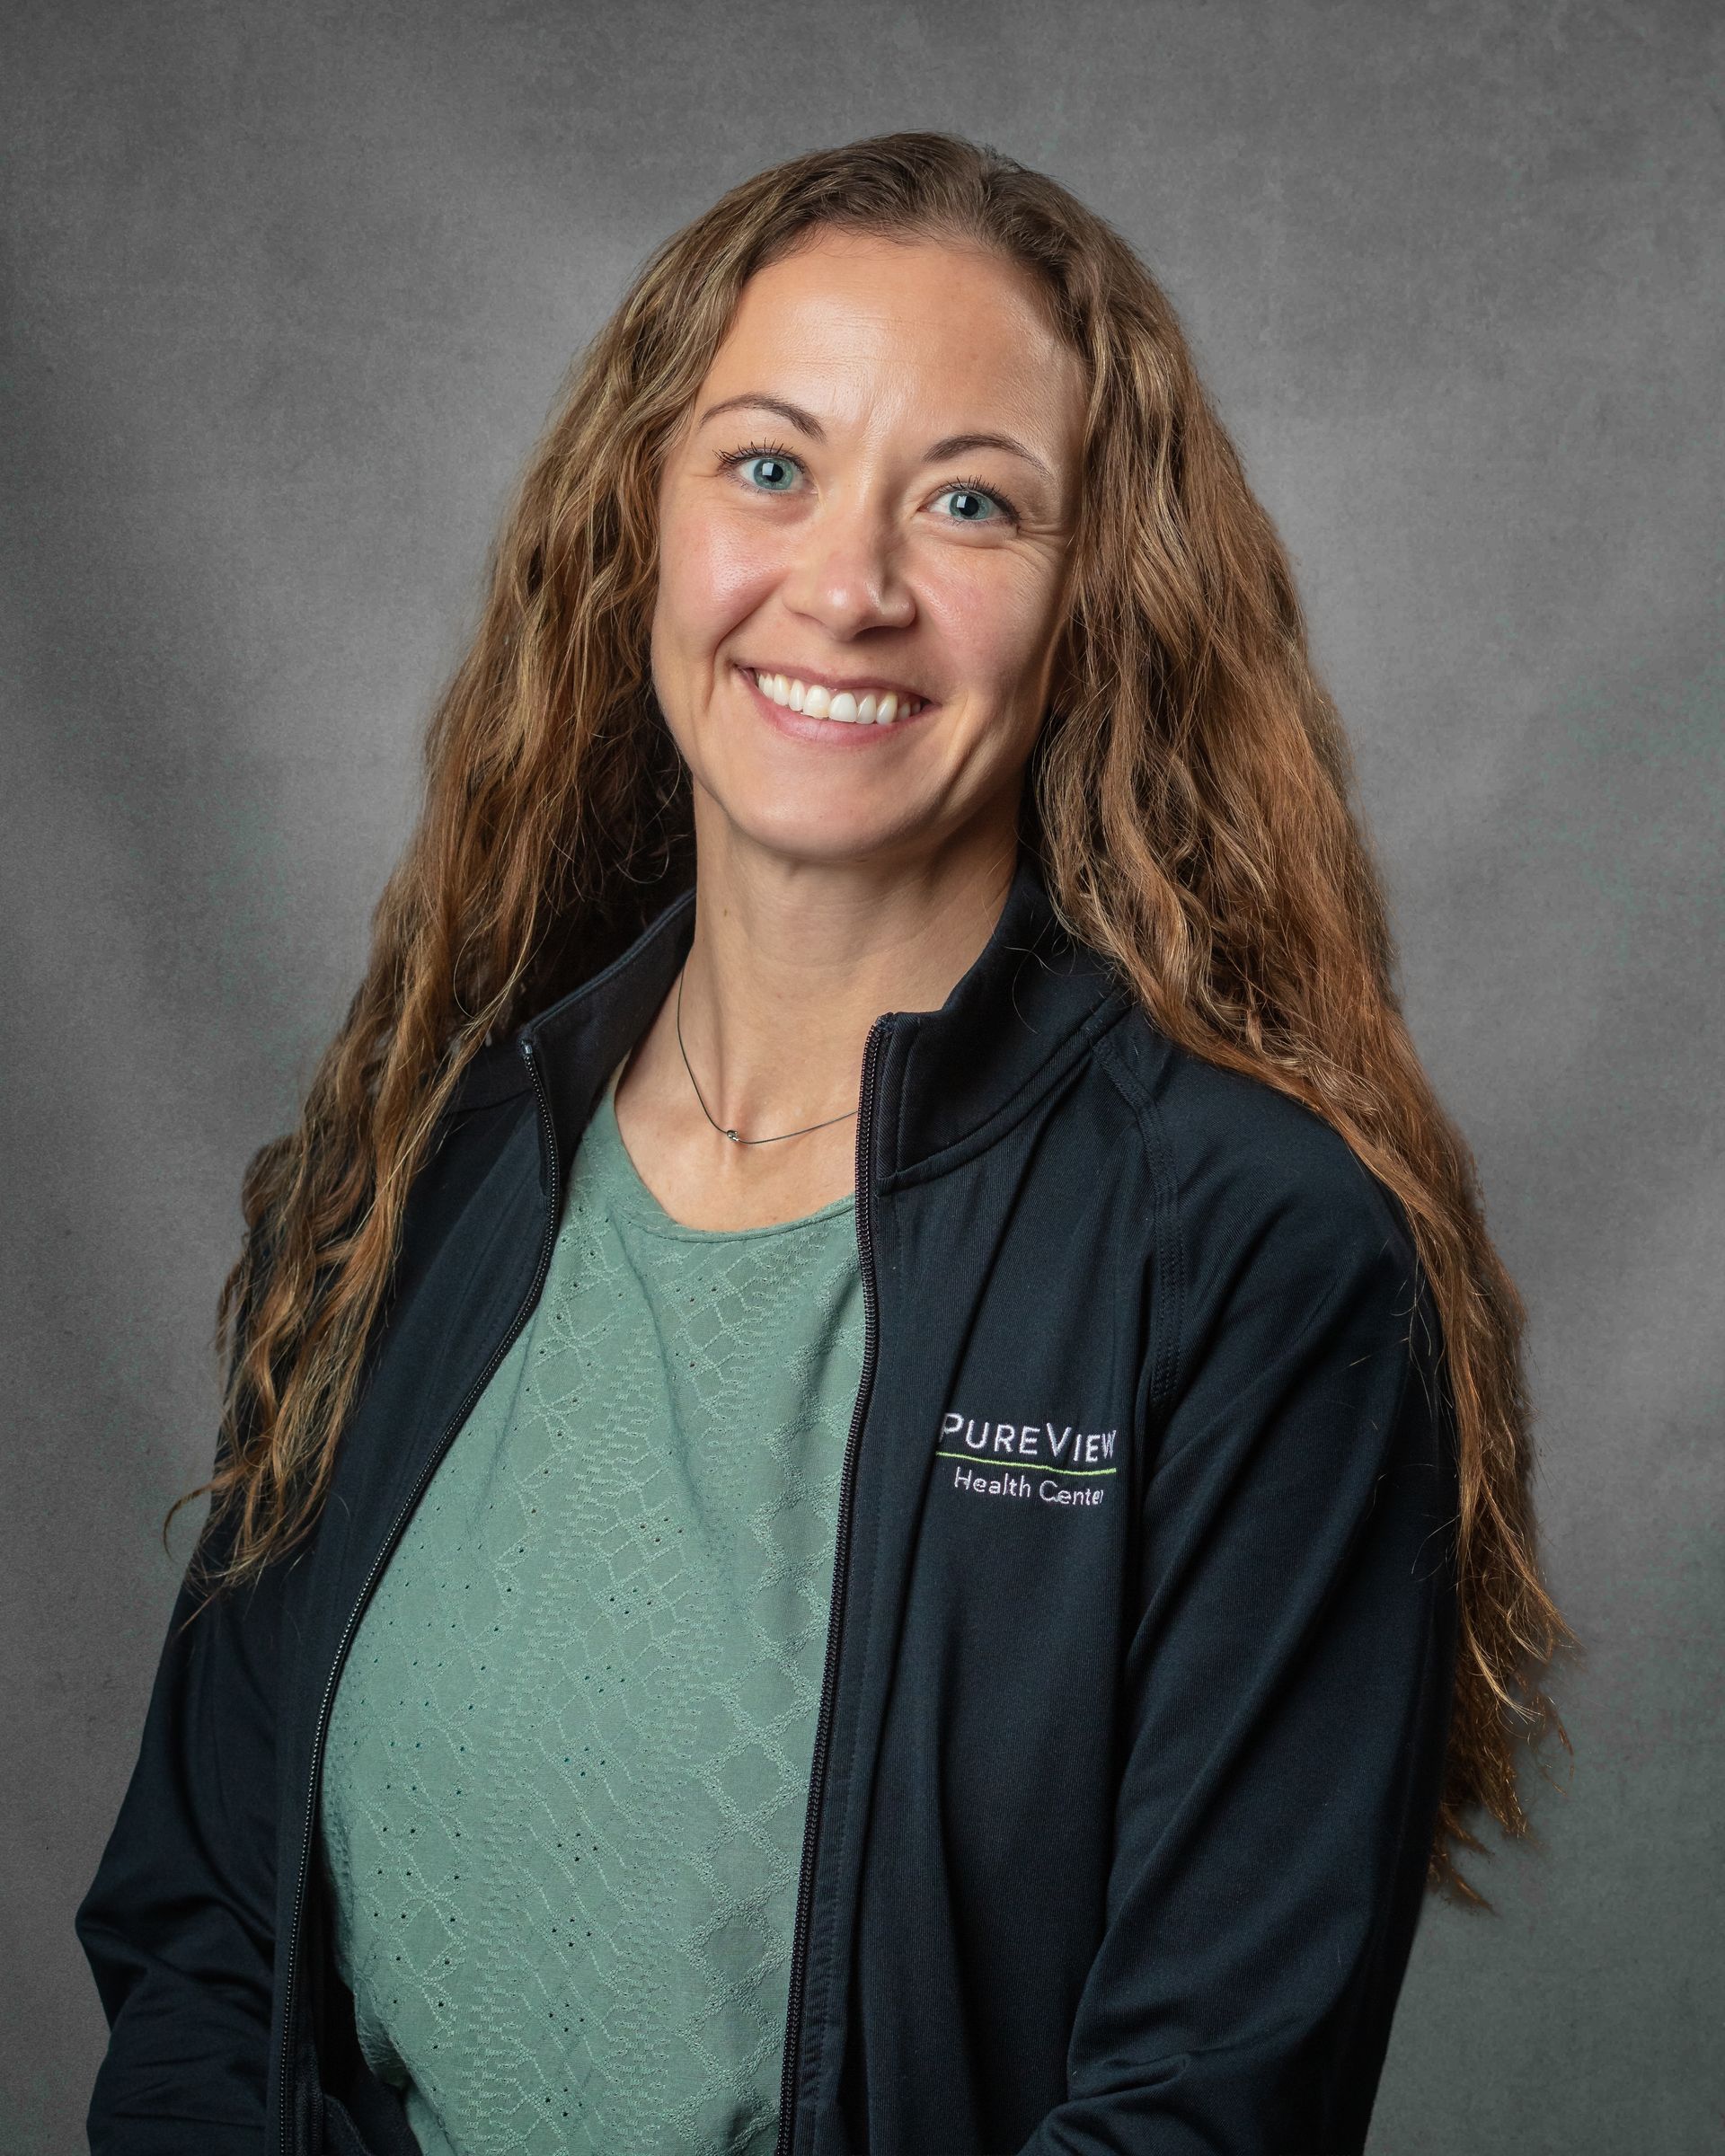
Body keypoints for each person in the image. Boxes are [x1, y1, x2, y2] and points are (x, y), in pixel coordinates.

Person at [75, 131, 1567, 2156]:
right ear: (648, 521)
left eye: (970, 503)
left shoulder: (1250, 1250)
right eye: (768, 465)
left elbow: (1205, 2107)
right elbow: (205, 1935)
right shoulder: (430, 1177)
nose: (848, 589)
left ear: (1097, 600)